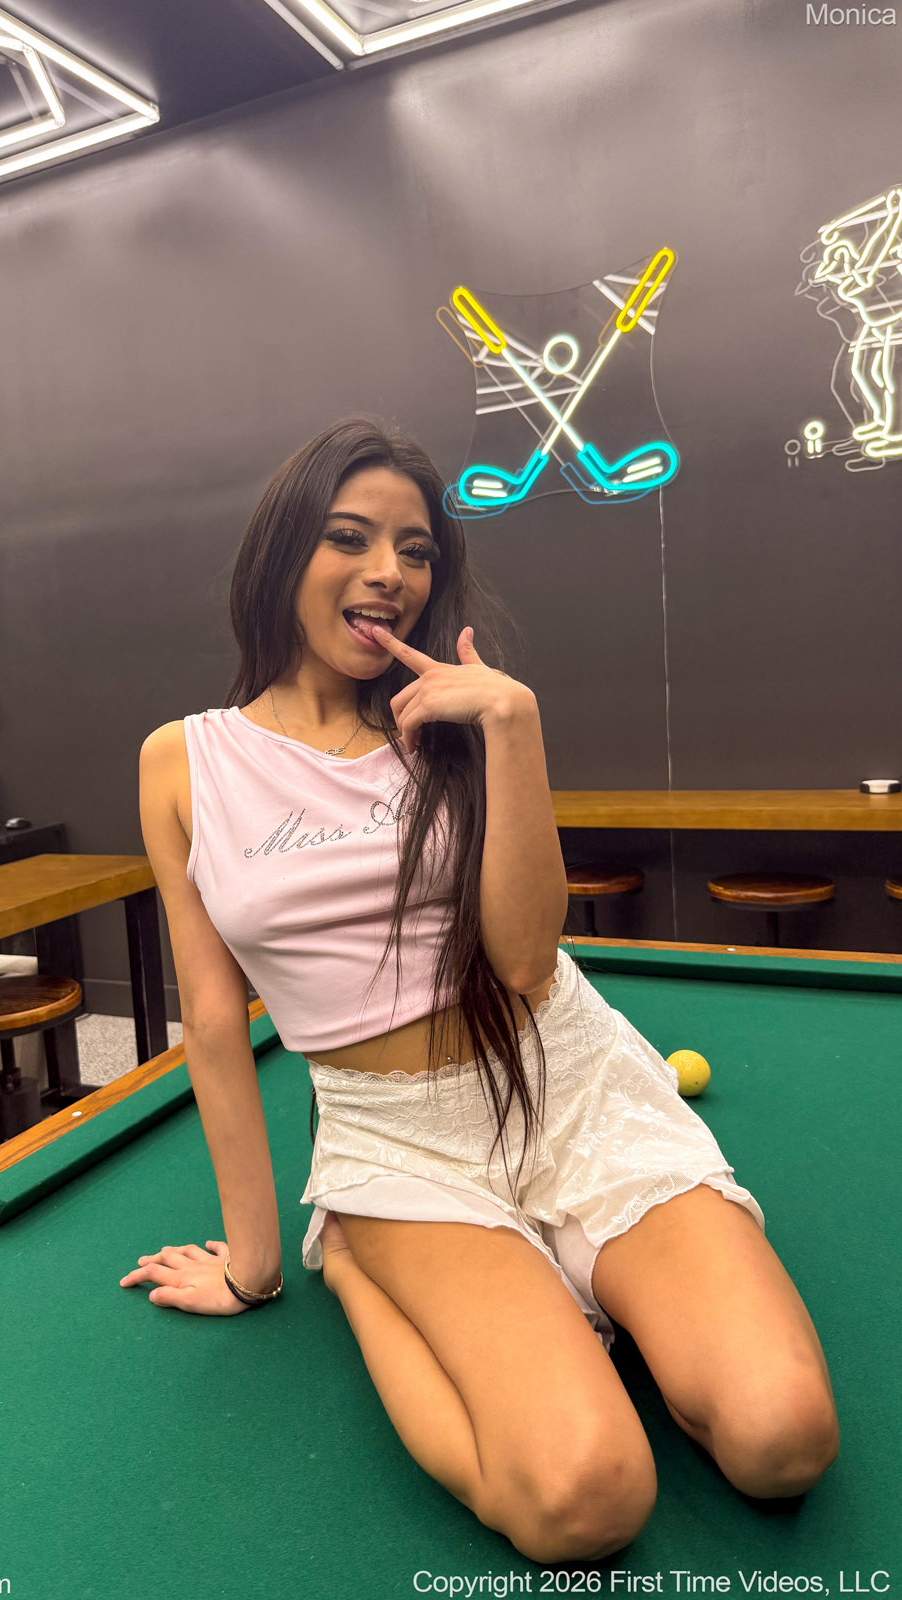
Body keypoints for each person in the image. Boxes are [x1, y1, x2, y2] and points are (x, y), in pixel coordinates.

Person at [121, 419, 839, 1564]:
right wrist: (255, 1268)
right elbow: (212, 1018)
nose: (388, 572)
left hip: (571, 1084)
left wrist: (514, 727)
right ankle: (353, 1258)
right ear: (281, 553)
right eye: (349, 538)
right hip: (401, 1144)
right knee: (585, 1502)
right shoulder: (185, 760)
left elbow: (524, 960)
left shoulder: (459, 720)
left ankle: (565, 1265)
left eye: (413, 549)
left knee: (782, 1437)